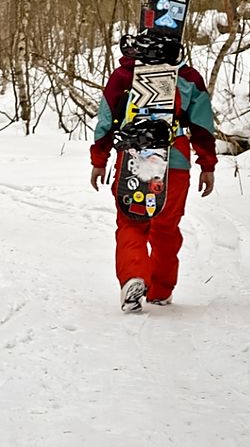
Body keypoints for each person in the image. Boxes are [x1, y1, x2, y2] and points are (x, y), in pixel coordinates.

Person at [90, 47, 217, 312]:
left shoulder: (124, 75)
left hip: (133, 160)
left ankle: (133, 277)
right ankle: (160, 290)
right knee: (166, 227)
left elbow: (106, 119)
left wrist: (99, 159)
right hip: (175, 161)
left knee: (131, 222)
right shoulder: (189, 77)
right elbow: (202, 124)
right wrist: (207, 163)